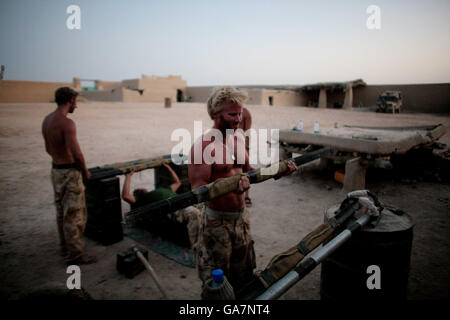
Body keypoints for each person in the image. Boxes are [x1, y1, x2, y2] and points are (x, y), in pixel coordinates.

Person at [188, 86, 297, 296]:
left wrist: (277, 171)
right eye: (232, 114)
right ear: (215, 114)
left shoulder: (238, 138)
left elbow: (249, 171)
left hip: (242, 220)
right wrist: (228, 186)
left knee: (244, 276)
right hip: (216, 223)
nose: (238, 119)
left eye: (240, 113)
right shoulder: (203, 146)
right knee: (218, 285)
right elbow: (198, 190)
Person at [42, 87, 96, 265]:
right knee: (74, 214)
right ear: (70, 100)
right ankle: (76, 255)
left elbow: (48, 148)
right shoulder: (67, 123)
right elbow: (77, 153)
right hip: (69, 172)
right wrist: (85, 171)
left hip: (55, 170)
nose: (77, 106)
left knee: (61, 212)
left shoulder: (47, 120)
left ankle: (65, 248)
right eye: (76, 102)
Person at [121, 163, 201, 251]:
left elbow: (177, 182)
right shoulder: (143, 199)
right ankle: (197, 246)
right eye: (136, 191)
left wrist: (168, 168)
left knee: (207, 207)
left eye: (139, 188)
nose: (139, 189)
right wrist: (128, 176)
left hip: (184, 201)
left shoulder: (163, 189)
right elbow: (126, 196)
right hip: (174, 208)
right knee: (194, 213)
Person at [238, 107, 253, 207]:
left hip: (242, 144)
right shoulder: (227, 111)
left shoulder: (246, 113)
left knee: (245, 170)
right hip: (229, 144)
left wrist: (247, 148)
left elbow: (247, 133)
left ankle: (246, 195)